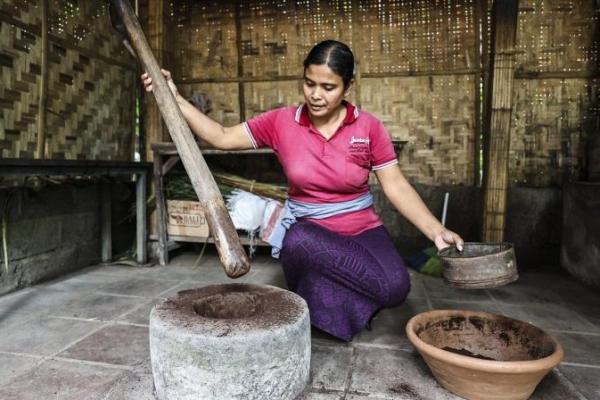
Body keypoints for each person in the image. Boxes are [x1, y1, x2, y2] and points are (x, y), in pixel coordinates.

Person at [142, 40, 464, 341]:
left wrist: (436, 230)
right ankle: (327, 300)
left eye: (329, 87)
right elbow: (223, 136)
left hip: (361, 230)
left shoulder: (368, 128)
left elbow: (395, 185)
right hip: (309, 238)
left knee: (395, 287)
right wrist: (175, 97)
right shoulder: (282, 122)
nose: (316, 95)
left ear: (348, 86)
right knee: (296, 238)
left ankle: (325, 304)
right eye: (310, 83)